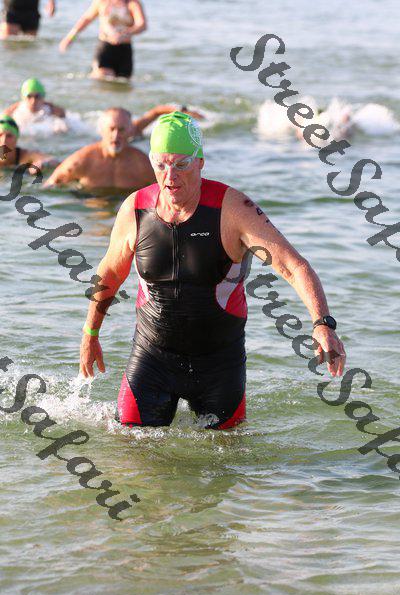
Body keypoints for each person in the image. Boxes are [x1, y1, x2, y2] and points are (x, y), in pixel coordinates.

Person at [79, 111, 346, 430]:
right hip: (152, 357)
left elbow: (293, 266)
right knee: (129, 450)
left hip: (219, 365)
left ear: (200, 162)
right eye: (161, 164)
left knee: (226, 456)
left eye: (181, 164)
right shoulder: (135, 209)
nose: (170, 176)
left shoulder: (233, 210)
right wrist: (90, 333)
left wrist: (323, 324)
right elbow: (109, 275)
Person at [43, 107, 155, 192]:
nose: (116, 135)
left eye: (121, 130)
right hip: (91, 203)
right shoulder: (83, 160)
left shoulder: (142, 164)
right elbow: (50, 186)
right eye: (111, 129)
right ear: (101, 130)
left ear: (131, 131)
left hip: (127, 206)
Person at [59, 0, 146, 80]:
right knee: (102, 79)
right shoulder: (102, 2)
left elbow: (142, 25)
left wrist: (126, 33)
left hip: (125, 49)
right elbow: (86, 19)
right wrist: (70, 38)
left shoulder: (133, 3)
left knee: (123, 83)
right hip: (106, 47)